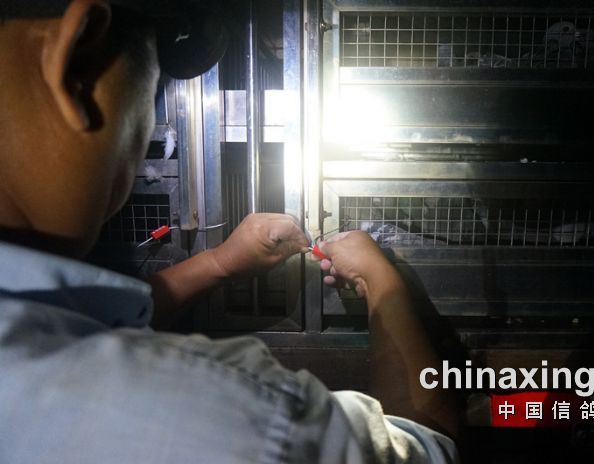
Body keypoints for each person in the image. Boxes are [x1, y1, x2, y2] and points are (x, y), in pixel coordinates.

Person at [0, 1, 460, 462]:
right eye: (154, 88)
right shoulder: (238, 418)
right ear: (76, 61)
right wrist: (381, 282)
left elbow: (83, 324)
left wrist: (219, 263)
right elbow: (429, 448)